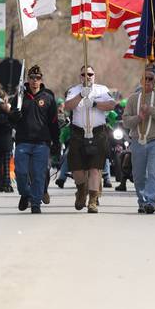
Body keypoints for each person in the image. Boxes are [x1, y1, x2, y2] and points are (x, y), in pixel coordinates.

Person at [64, 64, 116, 213]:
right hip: (78, 133)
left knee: (95, 168)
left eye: (90, 74)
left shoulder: (102, 89)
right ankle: (81, 190)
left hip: (97, 132)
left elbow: (111, 105)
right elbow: (67, 105)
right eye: (83, 75)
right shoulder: (74, 90)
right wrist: (81, 95)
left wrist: (95, 103)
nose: (87, 77)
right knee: (77, 169)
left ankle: (92, 200)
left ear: (94, 75)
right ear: (79, 77)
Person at [8, 65, 59, 214]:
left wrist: (56, 142)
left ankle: (36, 203)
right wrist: (13, 116)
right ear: (27, 79)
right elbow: (10, 119)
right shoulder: (19, 97)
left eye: (37, 78)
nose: (34, 81)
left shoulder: (48, 97)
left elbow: (54, 122)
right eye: (31, 78)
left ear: (41, 79)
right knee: (21, 173)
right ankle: (26, 194)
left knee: (38, 174)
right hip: (23, 141)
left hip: (42, 143)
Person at [122, 64, 155, 214]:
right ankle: (142, 200)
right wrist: (138, 117)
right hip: (138, 140)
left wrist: (150, 109)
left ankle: (150, 201)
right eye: (145, 78)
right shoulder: (133, 99)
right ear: (141, 80)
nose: (148, 81)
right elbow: (125, 121)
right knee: (139, 174)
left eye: (151, 79)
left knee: (154, 172)